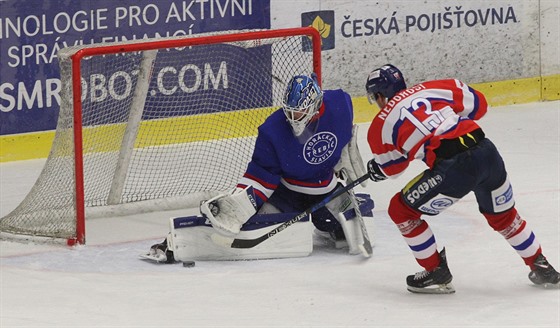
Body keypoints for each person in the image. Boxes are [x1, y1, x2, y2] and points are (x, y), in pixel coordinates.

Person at [364, 64, 560, 293]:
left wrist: (377, 169)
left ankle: (435, 270)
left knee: (400, 210)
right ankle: (541, 265)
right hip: (487, 153)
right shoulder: (435, 87)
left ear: (380, 95)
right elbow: (480, 105)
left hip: (454, 168)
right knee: (503, 216)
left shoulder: (379, 125)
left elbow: (393, 169)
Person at [147, 74, 372, 262]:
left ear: (315, 106)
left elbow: (346, 132)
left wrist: (345, 154)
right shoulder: (273, 130)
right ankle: (174, 242)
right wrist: (240, 204)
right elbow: (261, 176)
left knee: (339, 234)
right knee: (248, 225)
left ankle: (325, 226)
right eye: (290, 111)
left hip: (326, 188)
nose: (293, 118)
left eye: (299, 112)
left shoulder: (340, 104)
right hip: (288, 193)